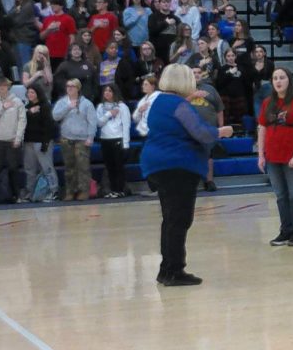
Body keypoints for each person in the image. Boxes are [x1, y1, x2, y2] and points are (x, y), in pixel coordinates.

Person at [140, 64, 234, 286]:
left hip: (158, 165)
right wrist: (221, 131)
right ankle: (174, 271)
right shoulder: (179, 105)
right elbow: (201, 132)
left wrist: (189, 99)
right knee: (180, 220)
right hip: (178, 166)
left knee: (170, 219)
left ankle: (166, 270)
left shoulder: (159, 101)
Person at [258, 68, 293, 246]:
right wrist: (261, 155)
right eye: (275, 78)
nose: (278, 81)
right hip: (273, 156)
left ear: (289, 80)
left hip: (292, 156)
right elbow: (262, 128)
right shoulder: (267, 103)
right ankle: (285, 230)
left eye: (282, 77)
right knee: (280, 195)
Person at [52, 78, 98, 201]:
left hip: (82, 139)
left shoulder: (87, 103)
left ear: (78, 88)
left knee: (83, 166)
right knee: (69, 167)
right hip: (66, 139)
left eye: (72, 86)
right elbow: (55, 116)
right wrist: (68, 107)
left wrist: (90, 137)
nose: (69, 88)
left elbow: (92, 122)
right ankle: (70, 191)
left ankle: (84, 190)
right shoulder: (62, 102)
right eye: (68, 86)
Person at [20, 84, 58, 202]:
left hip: (41, 141)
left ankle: (54, 191)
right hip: (28, 142)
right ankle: (30, 193)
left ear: (38, 93)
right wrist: (29, 112)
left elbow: (49, 126)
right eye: (29, 92)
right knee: (29, 169)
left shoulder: (45, 107)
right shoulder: (25, 108)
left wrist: (45, 143)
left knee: (47, 167)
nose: (30, 95)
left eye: (33, 92)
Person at [96, 84, 132, 198]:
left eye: (110, 91)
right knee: (109, 166)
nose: (107, 93)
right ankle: (112, 189)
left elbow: (126, 125)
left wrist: (126, 143)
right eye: (105, 91)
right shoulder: (100, 107)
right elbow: (98, 123)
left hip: (118, 138)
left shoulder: (122, 107)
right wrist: (108, 114)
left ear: (115, 93)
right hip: (105, 139)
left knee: (118, 166)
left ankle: (120, 189)